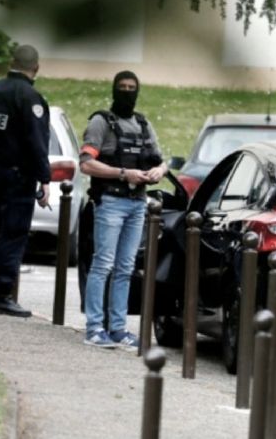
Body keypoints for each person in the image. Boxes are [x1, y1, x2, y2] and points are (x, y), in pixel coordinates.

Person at [79, 71, 166, 349]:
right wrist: (122, 173)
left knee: (126, 268)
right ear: (114, 89)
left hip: (137, 202)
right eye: (122, 87)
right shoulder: (101, 122)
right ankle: (94, 327)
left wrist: (156, 172)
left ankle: (117, 328)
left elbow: (162, 162)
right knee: (103, 263)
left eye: (132, 88)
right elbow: (86, 164)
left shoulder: (143, 123)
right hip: (111, 202)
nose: (127, 92)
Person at [0, 45, 51, 318]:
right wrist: (45, 179)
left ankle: (1, 291)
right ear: (36, 68)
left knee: (0, 231)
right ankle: (3, 294)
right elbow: (36, 141)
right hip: (20, 175)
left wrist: (2, 141)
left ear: (12, 62)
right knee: (14, 232)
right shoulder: (30, 97)